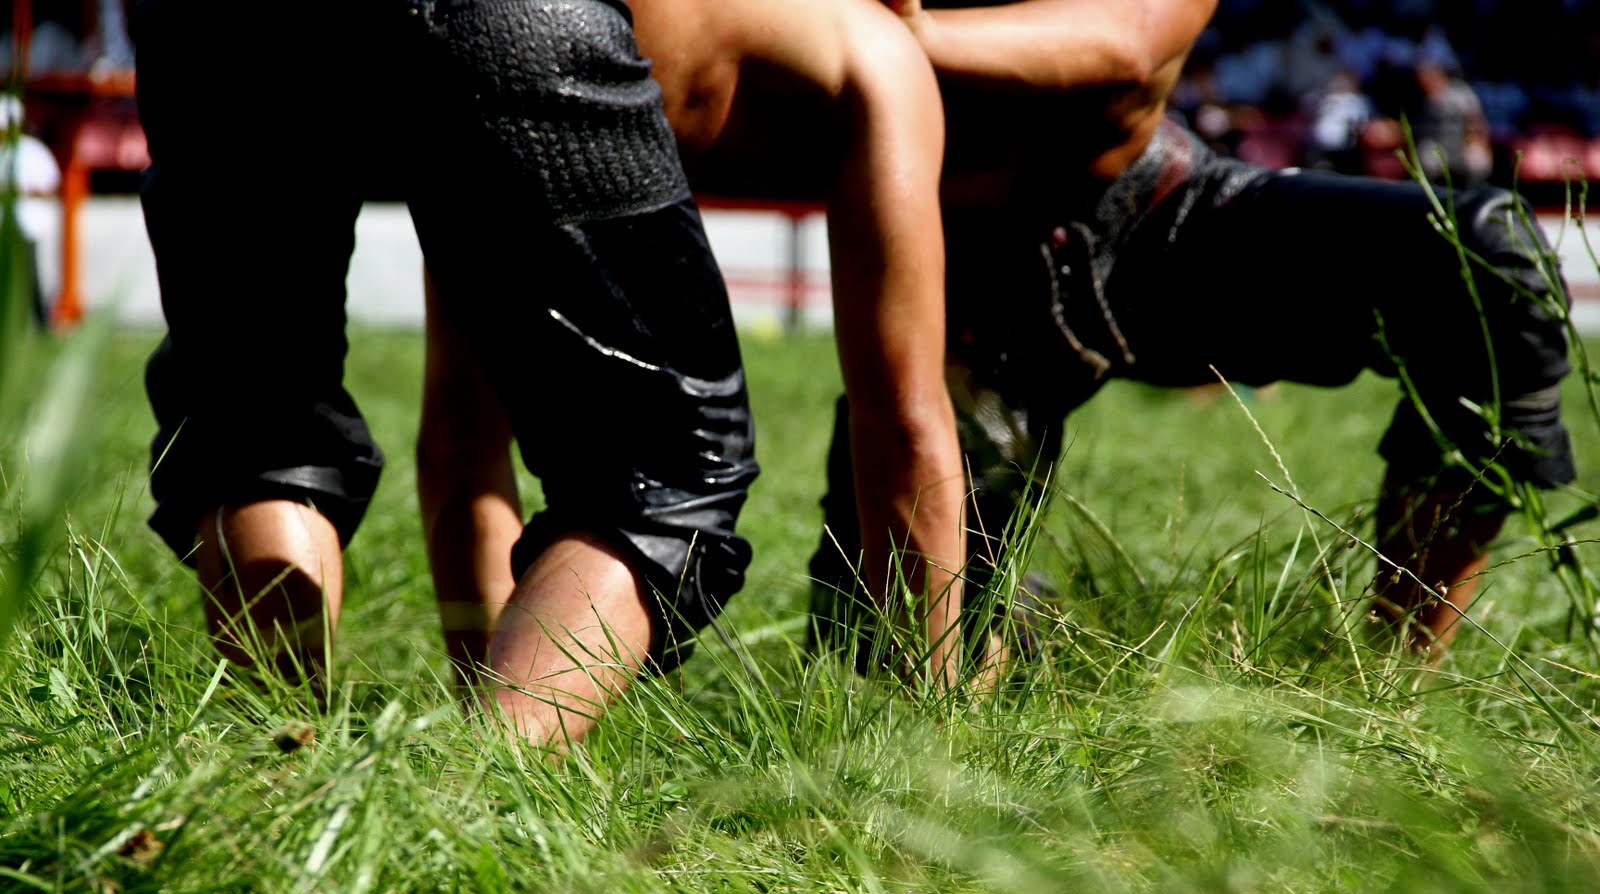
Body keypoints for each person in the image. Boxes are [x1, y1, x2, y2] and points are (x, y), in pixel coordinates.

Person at [809, 0, 1576, 659]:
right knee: (889, 647)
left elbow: (1128, 47)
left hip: (1151, 212)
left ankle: (1394, 675)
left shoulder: (894, 31)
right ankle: (1038, 635)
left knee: (1483, 263)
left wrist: (892, 37)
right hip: (958, 269)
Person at [133, 0, 762, 748]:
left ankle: (278, 772)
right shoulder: (860, 46)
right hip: (497, 22)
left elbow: (459, 438)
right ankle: (478, 793)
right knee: (660, 466)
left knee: (260, 423)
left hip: (208, 31)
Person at [418, 0, 965, 690]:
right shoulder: (875, 54)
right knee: (670, 482)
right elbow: (904, 421)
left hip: (440, 42)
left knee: (333, 442)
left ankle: (480, 729)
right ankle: (506, 738)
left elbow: (459, 439)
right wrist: (937, 708)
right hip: (536, 45)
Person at [1, 95, 62, 328]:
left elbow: (50, 183)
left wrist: (22, 191)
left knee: (31, 274)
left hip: (28, 222)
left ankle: (40, 320)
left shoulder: (33, 150)